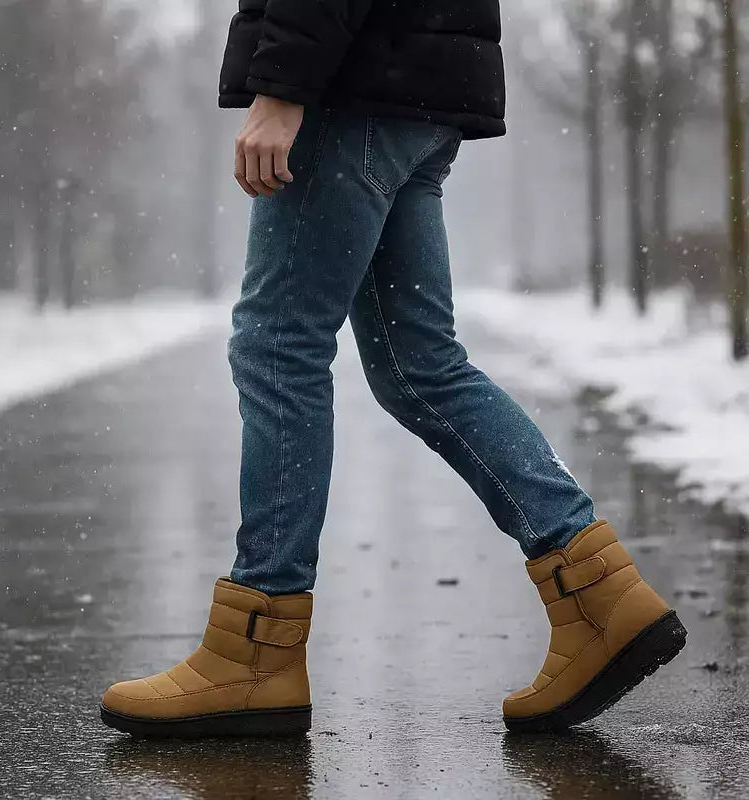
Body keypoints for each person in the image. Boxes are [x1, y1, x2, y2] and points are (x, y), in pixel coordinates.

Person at [100, 0, 686, 737]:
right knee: (421, 365)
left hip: (354, 83)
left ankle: (255, 651)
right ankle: (598, 594)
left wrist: (283, 85)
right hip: (416, 81)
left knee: (279, 346)